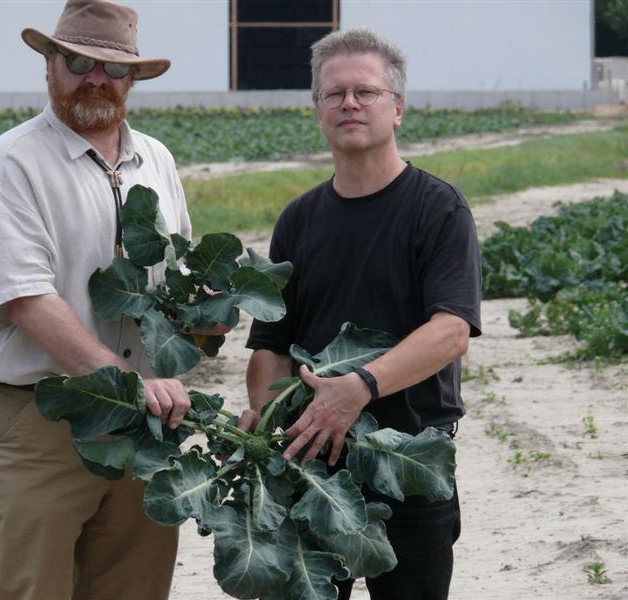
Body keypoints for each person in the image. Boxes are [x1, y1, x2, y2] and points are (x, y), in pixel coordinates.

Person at [0, 1, 199, 598]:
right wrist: (123, 383)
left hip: (143, 432)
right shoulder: (14, 163)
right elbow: (25, 299)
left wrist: (202, 314)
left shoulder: (157, 161)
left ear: (133, 79)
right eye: (78, 61)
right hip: (44, 422)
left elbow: (178, 283)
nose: (96, 79)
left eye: (114, 69)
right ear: (50, 63)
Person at [241, 27, 482, 600]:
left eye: (366, 92)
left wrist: (360, 388)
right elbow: (272, 342)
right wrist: (264, 411)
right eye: (334, 93)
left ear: (397, 108)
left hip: (410, 464)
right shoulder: (298, 220)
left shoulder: (439, 209)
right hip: (313, 465)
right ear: (318, 110)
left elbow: (450, 332)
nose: (349, 103)